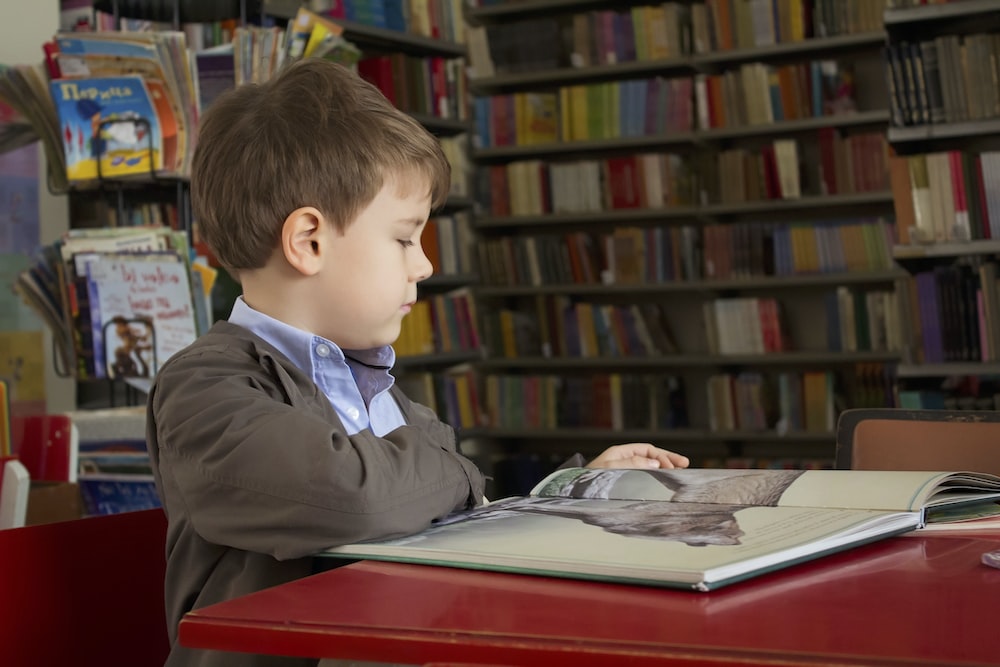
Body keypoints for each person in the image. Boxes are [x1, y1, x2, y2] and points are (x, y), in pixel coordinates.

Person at [146, 58, 689, 667]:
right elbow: (360, 500)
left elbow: (452, 517)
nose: (424, 265)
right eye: (405, 238)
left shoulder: (373, 383)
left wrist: (569, 492)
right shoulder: (205, 387)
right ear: (309, 242)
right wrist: (455, 472)